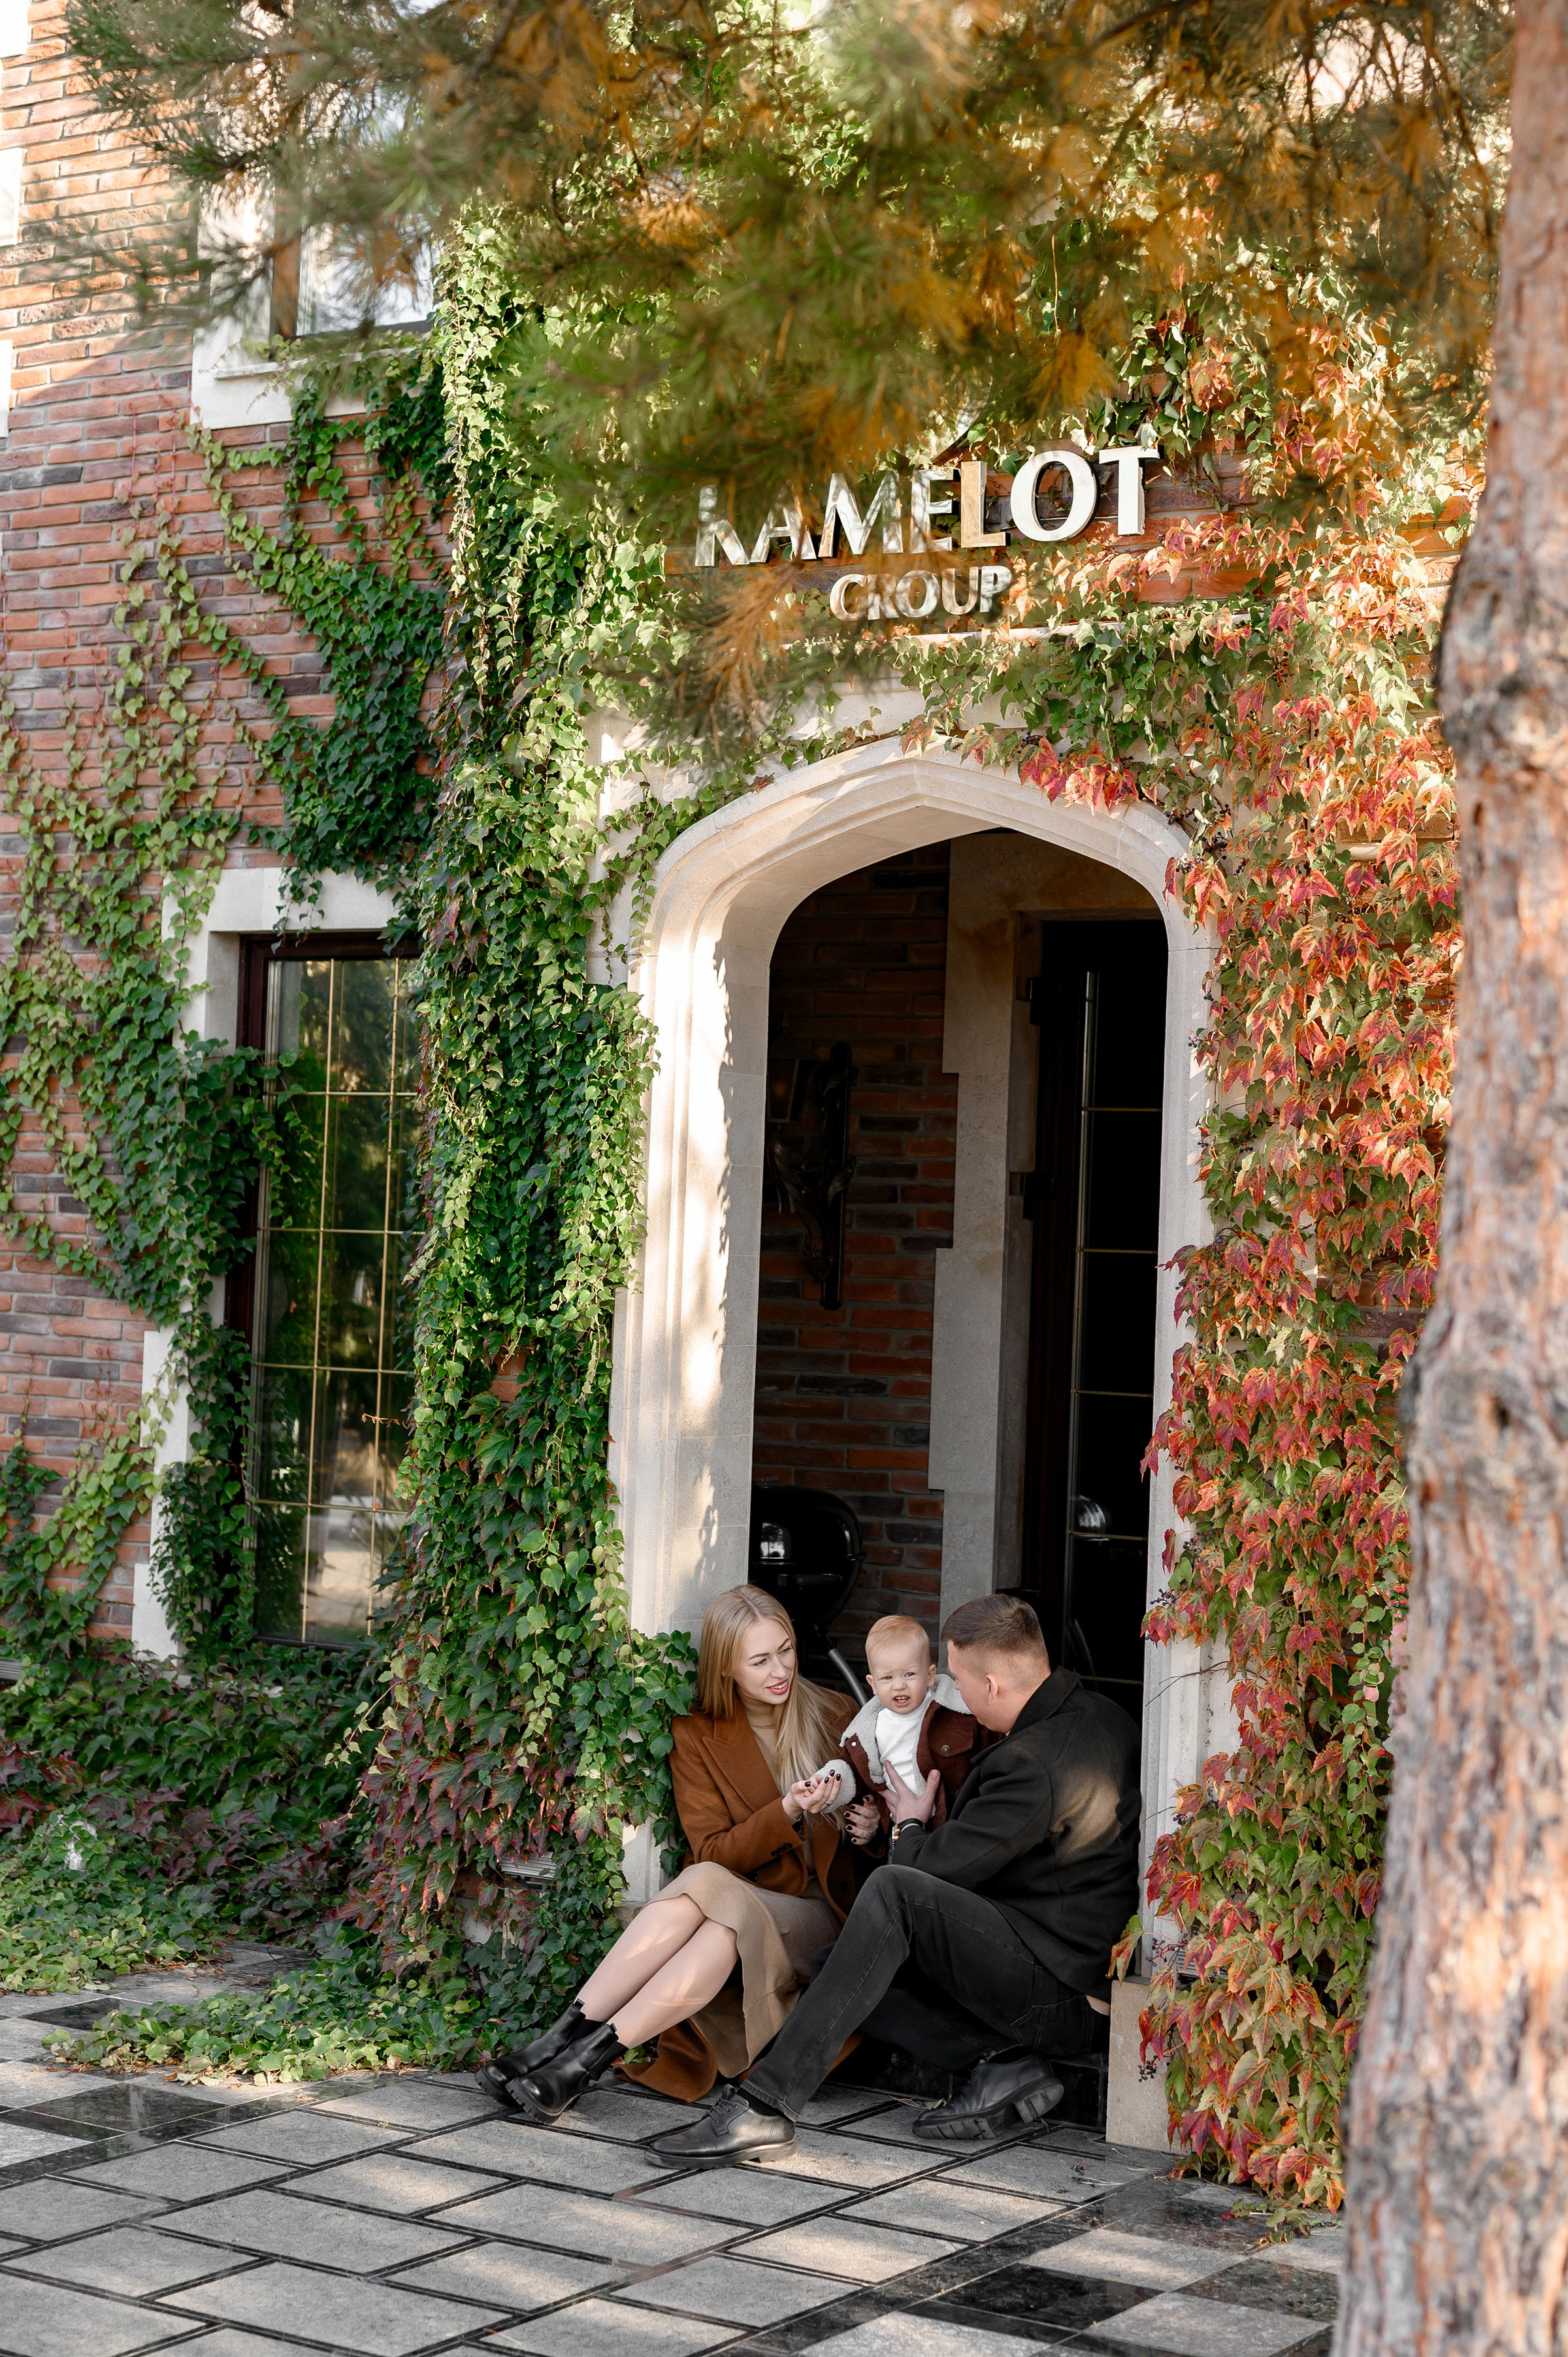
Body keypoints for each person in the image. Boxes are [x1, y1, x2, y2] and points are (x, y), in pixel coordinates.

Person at [647, 1590, 1141, 2161]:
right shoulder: (1102, 1715)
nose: (944, 1695)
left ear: (993, 1686)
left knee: (891, 1890)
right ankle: (999, 2064)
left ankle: (764, 2105)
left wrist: (906, 1825)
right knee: (839, 1963)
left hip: (1065, 1997)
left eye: (953, 1679)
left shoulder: (1030, 1764)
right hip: (1056, 1955)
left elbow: (925, 1873)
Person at [478, 1584, 857, 2123]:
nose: (780, 1670)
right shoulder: (698, 1734)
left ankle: (560, 2052)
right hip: (740, 1902)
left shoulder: (836, 1714)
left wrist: (831, 1815)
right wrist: (786, 1809)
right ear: (726, 1667)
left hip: (821, 1914)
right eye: (759, 1660)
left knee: (713, 1895)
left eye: (786, 1650)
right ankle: (571, 2060)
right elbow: (714, 1851)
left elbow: (880, 1813)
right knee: (719, 1915)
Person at [809, 1612, 983, 1846]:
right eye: (888, 1677)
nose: (899, 1685)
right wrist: (826, 1785)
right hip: (900, 1833)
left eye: (909, 1674)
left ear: (930, 1676)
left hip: (953, 1830)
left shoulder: (957, 1711)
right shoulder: (867, 1730)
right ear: (873, 1684)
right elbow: (852, 1771)